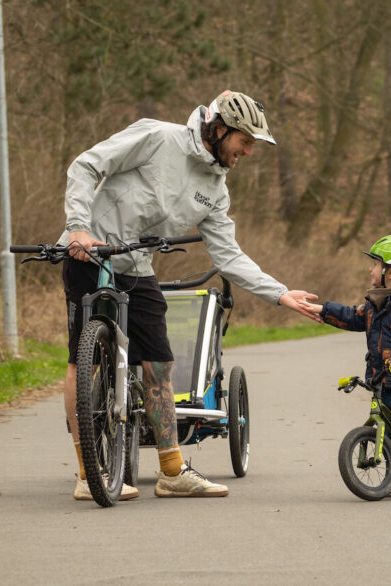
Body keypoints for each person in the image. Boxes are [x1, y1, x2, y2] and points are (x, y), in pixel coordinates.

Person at [60, 90, 317, 500]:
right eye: (245, 141)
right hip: (89, 254)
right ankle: (86, 473)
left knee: (160, 366)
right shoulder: (158, 138)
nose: (248, 152)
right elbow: (87, 164)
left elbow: (228, 256)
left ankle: (172, 470)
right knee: (81, 359)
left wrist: (280, 294)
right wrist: (77, 226)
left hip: (137, 266)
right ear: (219, 130)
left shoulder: (216, 189)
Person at [297, 234, 391, 499]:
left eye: (374, 264)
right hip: (383, 381)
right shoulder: (375, 304)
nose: (369, 269)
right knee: (388, 432)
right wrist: (321, 310)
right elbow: (351, 316)